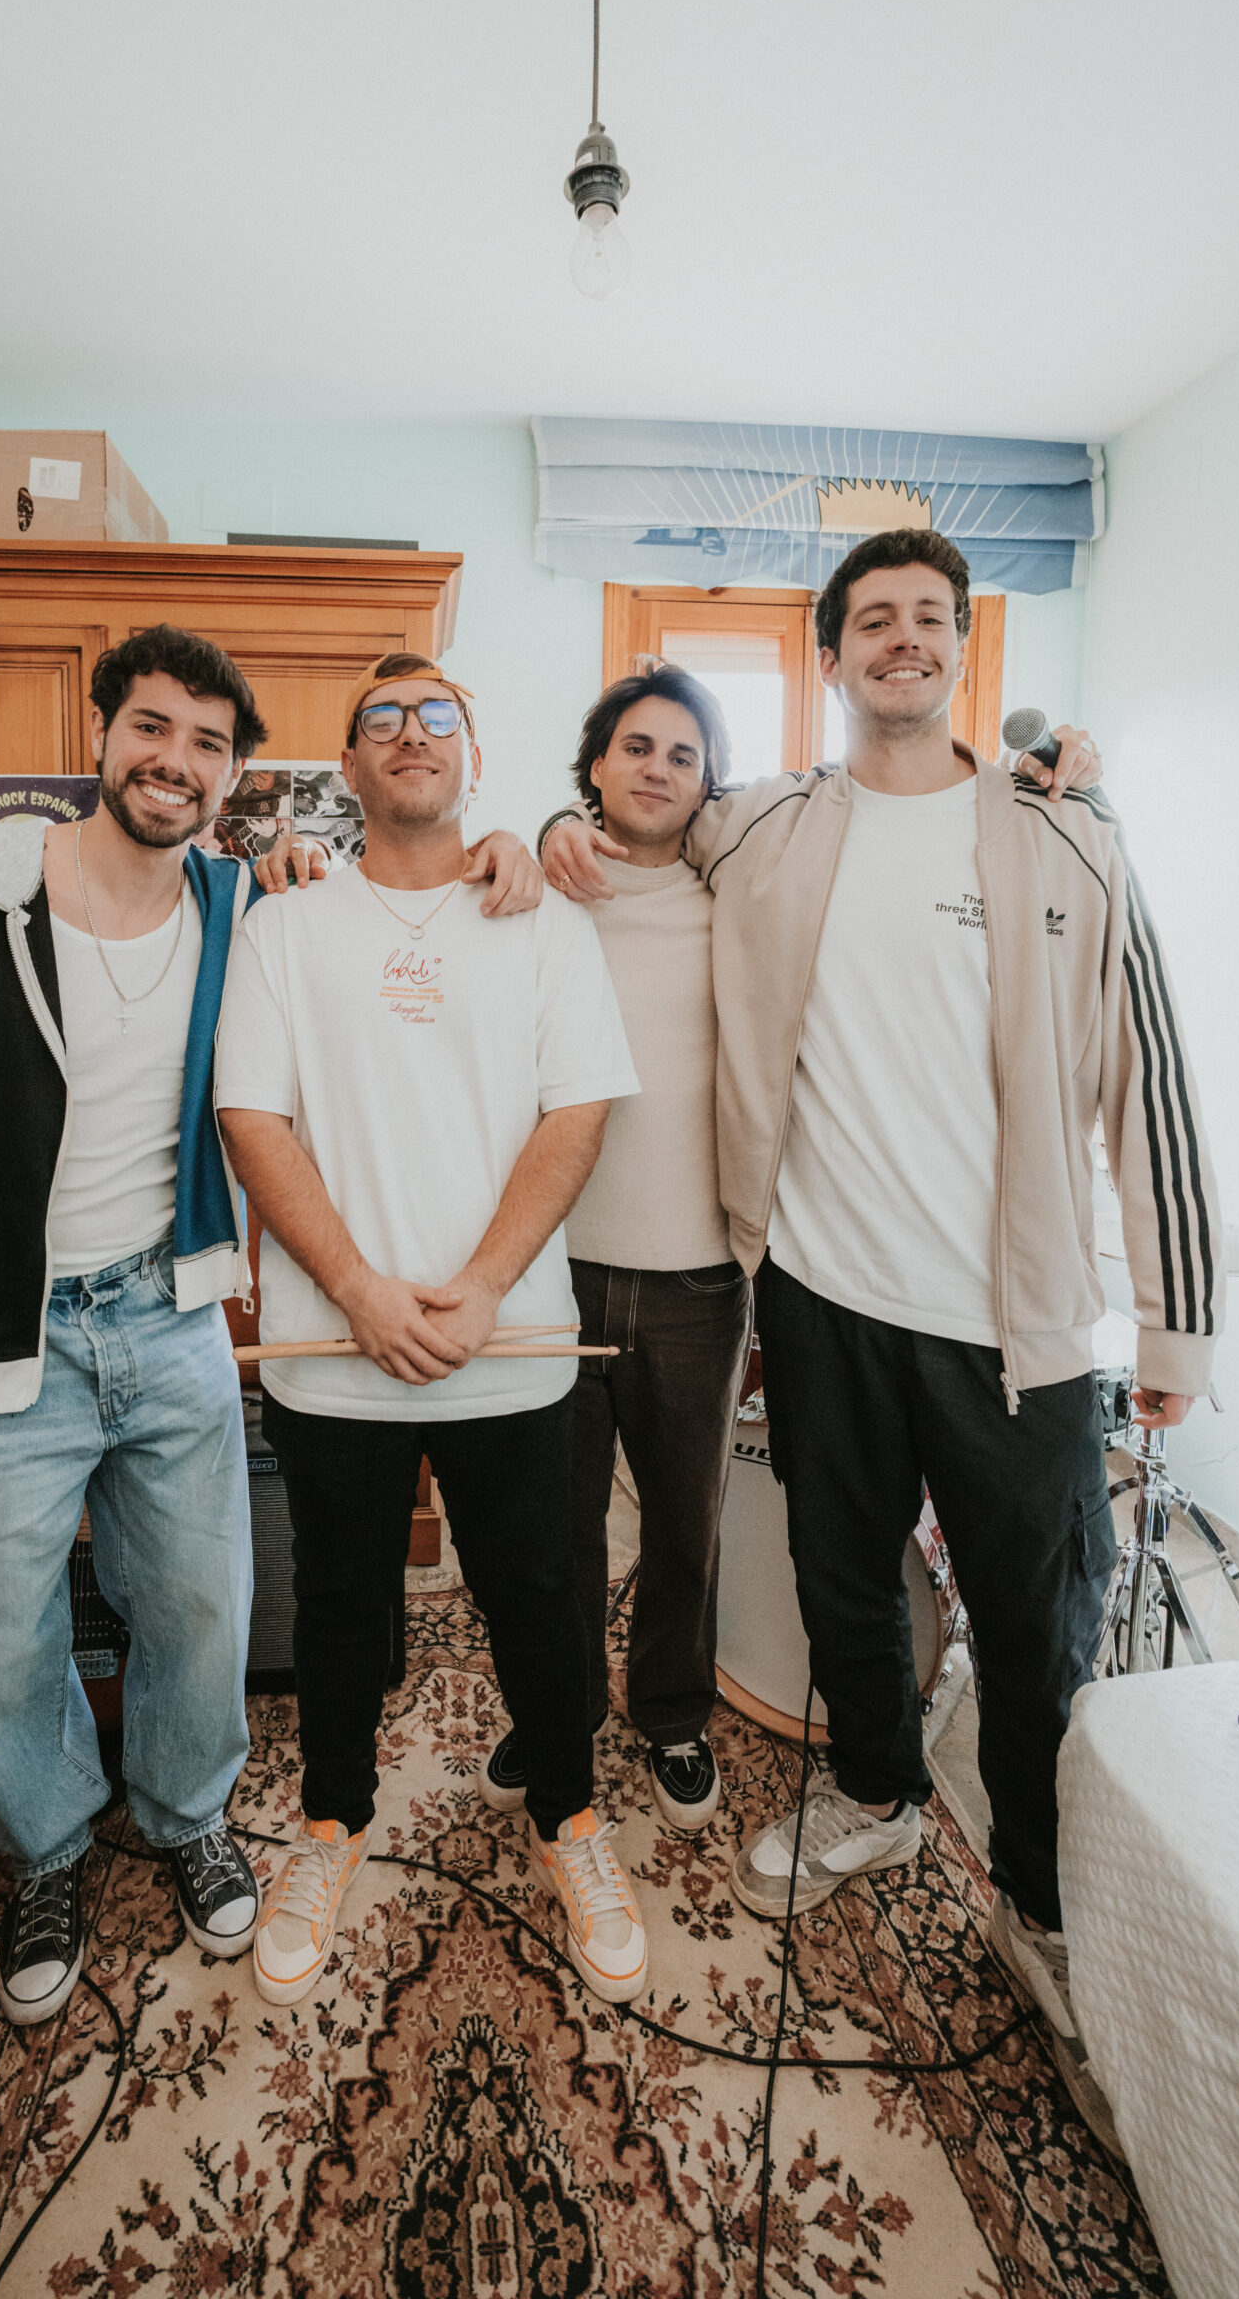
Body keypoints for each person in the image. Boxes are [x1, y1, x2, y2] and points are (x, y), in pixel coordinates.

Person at [543, 527, 1209, 2138]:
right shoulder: (763, 824)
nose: (900, 639)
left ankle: (1038, 1898)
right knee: (840, 1579)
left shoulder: (1066, 841)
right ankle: (874, 1794)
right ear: (830, 656)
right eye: (871, 620)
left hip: (1010, 1327)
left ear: (957, 646)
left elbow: (1152, 1086)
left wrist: (1171, 1328)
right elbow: (633, 816)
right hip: (820, 1301)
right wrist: (554, 826)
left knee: (1033, 1626)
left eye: (927, 617)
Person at [0, 624, 274, 2024]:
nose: (175, 760)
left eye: (207, 743)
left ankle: (187, 1811)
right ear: (98, 736)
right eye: (152, 727)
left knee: (200, 1602)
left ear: (231, 775)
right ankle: (49, 1845)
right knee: (2, 1636)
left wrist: (531, 843)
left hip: (169, 1315)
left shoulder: (240, 903)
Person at [217, 652, 651, 2008]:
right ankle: (331, 1820)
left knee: (539, 1601)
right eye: (382, 719)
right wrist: (356, 1287)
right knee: (340, 1606)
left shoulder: (543, 923)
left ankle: (569, 1817)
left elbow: (576, 1113)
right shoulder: (284, 924)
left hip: (508, 1343)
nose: (411, 734)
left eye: (437, 716)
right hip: (330, 1347)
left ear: (474, 754)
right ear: (347, 764)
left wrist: (482, 1284)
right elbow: (252, 1119)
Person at [480, 667, 751, 1834]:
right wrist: (534, 831)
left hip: (699, 1273)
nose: (658, 768)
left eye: (684, 754)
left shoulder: (738, 897)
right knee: (559, 1527)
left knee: (688, 1521)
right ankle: (562, 1710)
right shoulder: (538, 890)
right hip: (556, 1264)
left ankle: (673, 1711)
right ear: (595, 765)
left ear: (707, 783)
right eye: (637, 746)